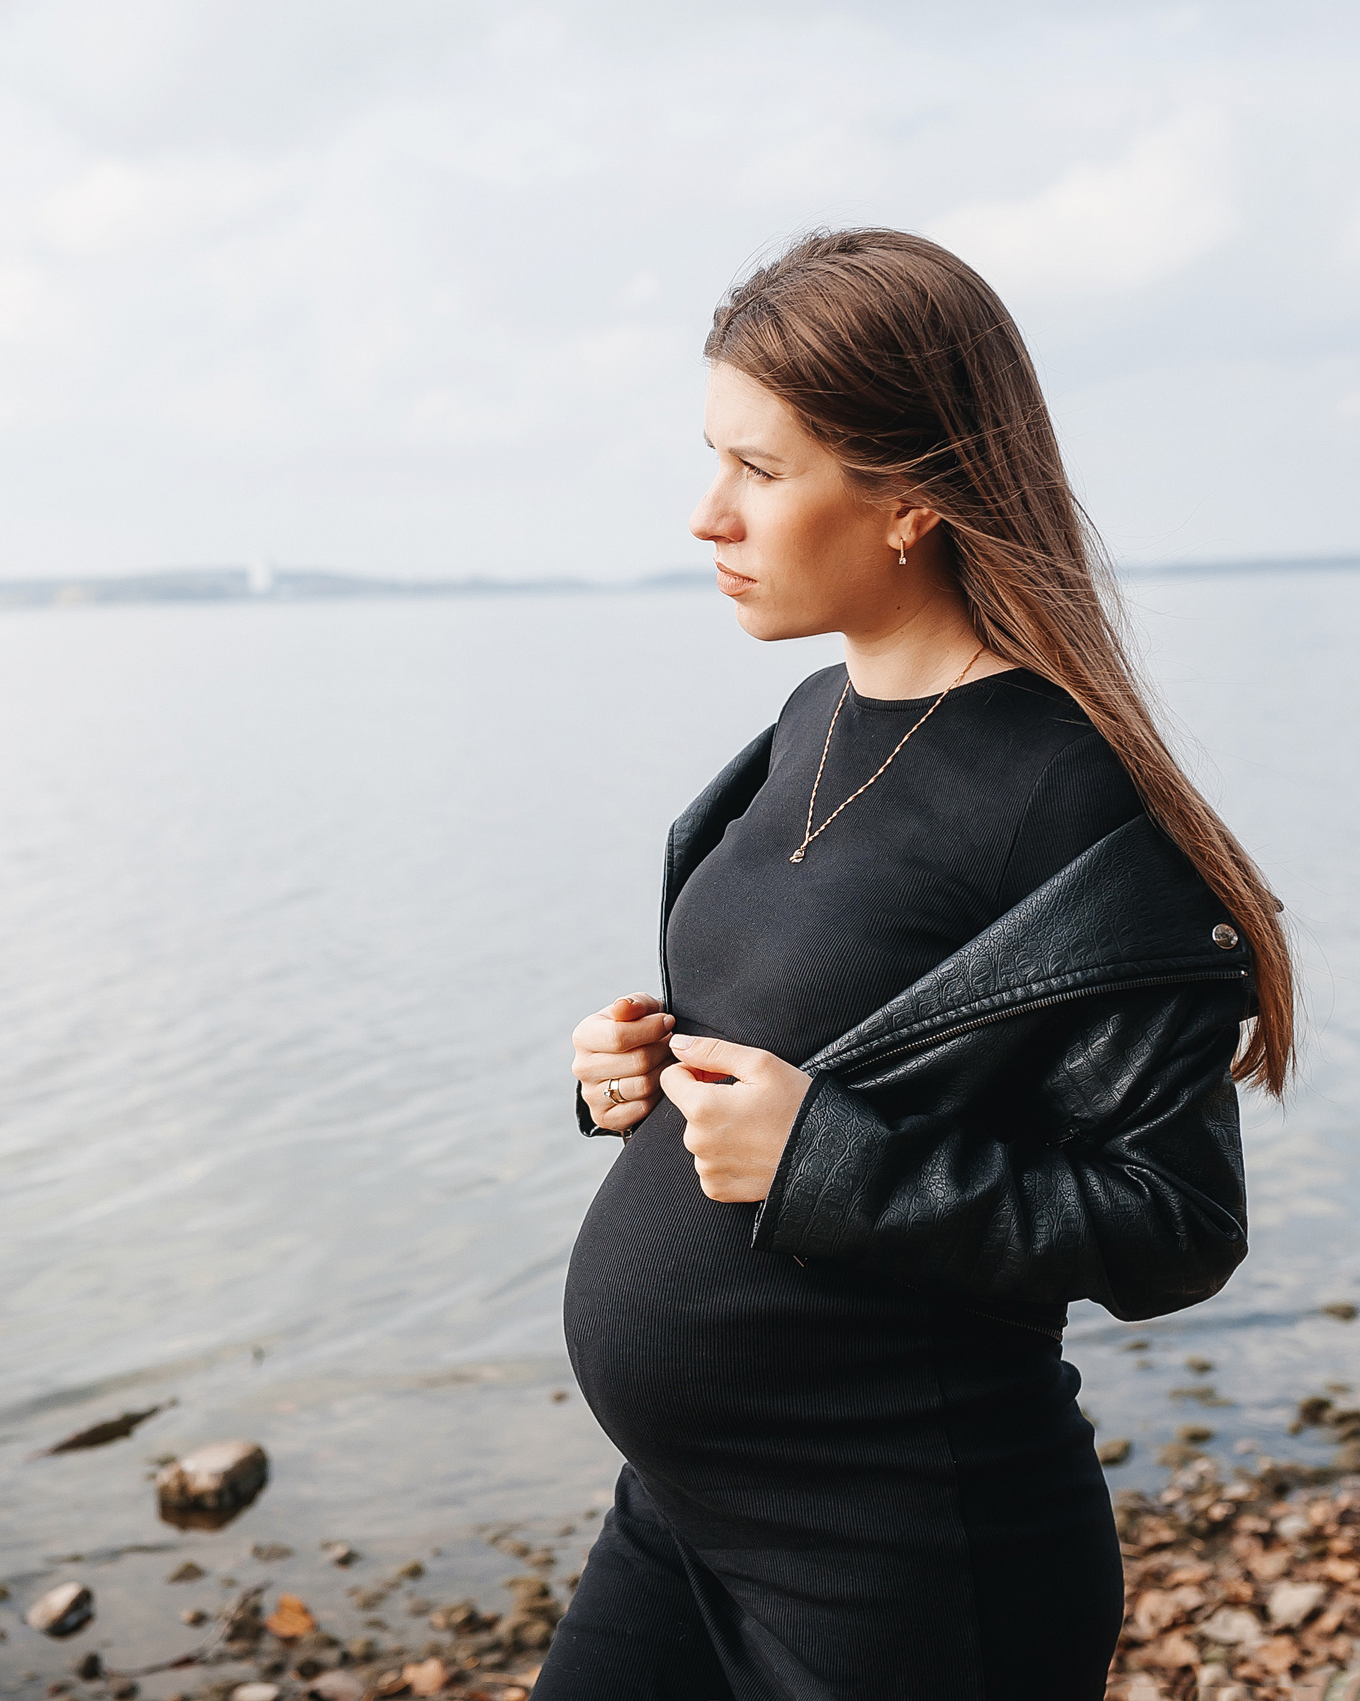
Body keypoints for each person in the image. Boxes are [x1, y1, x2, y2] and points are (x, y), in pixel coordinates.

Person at [541, 229, 1297, 1701]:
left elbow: (1176, 1222)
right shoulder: (804, 724)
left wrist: (827, 1158)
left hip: (902, 1561)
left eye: (762, 471)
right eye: (715, 460)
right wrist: (629, 1070)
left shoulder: (1066, 800)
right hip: (691, 1516)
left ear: (912, 501)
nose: (709, 515)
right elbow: (807, 1038)